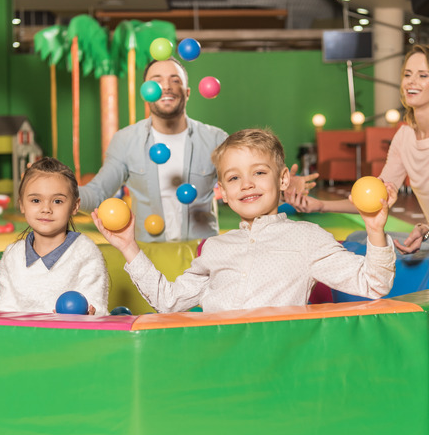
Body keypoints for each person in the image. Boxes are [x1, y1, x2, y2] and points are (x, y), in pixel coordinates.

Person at [92, 128, 397, 314]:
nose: (247, 184)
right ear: (223, 192)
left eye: (259, 172)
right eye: (234, 178)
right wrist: (129, 247)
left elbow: (374, 284)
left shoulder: (308, 237)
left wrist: (374, 230)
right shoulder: (214, 248)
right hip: (219, 360)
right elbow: (168, 301)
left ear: (283, 179)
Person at [285, 44, 429, 260]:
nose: (411, 81)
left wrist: (425, 230)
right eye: (407, 74)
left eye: (423, 75)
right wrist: (318, 205)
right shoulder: (404, 136)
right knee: (357, 238)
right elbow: (376, 197)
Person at [79, 57, 316, 243]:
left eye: (175, 80)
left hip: (202, 252)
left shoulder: (215, 138)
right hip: (147, 253)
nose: (166, 86)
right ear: (146, 91)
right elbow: (98, 192)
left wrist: (280, 187)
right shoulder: (125, 140)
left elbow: (244, 186)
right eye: (157, 80)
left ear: (187, 92)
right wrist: (68, 196)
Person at [0, 158, 109, 315]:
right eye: (36, 200)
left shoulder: (85, 252)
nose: (46, 209)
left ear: (75, 206)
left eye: (57, 201)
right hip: (23, 332)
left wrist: (87, 315)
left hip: (70, 331)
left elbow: (97, 308)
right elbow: (7, 312)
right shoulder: (13, 255)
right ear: (22, 204)